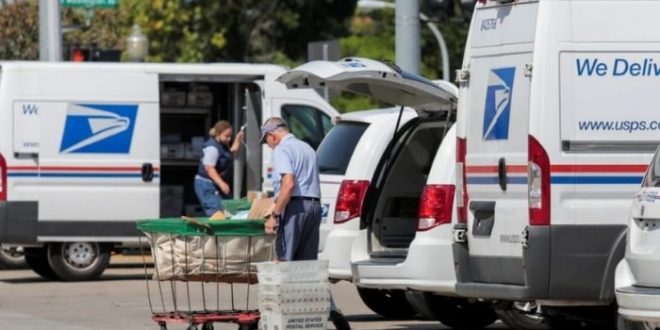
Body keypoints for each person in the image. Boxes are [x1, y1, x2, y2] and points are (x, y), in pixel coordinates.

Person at [261, 117, 351, 330]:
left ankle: (283, 321)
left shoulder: (282, 150)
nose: (269, 145)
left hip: (295, 208)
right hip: (313, 207)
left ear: (272, 135)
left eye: (267, 141)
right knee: (308, 268)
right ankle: (332, 312)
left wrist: (274, 214)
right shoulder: (307, 148)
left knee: (284, 263)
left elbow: (288, 183)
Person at [194, 120, 244, 216]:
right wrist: (222, 184)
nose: (229, 139)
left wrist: (238, 139)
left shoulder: (222, 146)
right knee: (216, 211)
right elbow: (209, 168)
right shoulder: (212, 148)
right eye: (226, 136)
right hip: (206, 185)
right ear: (218, 134)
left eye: (230, 136)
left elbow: (230, 154)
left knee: (227, 210)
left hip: (216, 184)